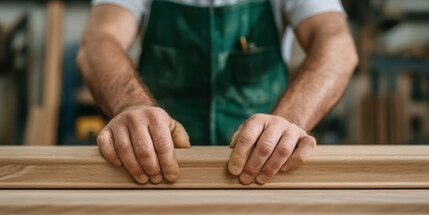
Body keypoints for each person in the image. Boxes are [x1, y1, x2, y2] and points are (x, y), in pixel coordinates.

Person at [77, 0, 358, 185]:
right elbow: (99, 40)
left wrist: (290, 119)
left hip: (265, 172)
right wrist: (130, 104)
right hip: (152, 170)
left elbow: (337, 46)